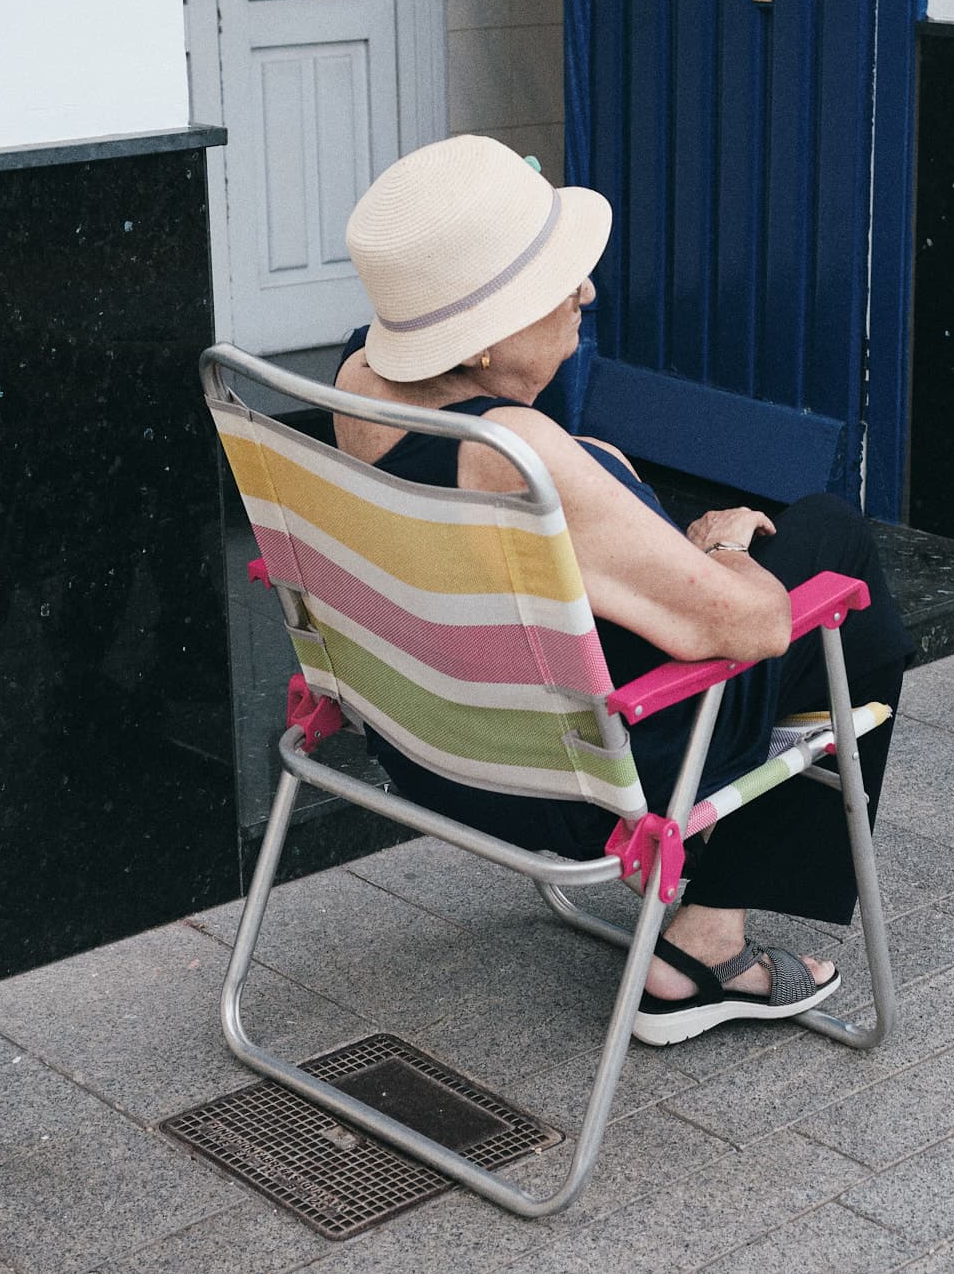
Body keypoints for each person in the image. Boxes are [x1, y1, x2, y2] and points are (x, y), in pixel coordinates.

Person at [333, 135, 912, 1046]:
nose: (588, 292)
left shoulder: (357, 383)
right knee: (833, 544)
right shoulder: (515, 457)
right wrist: (726, 546)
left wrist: (608, 479)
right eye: (557, 281)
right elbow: (760, 625)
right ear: (480, 341)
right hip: (586, 783)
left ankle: (713, 898)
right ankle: (706, 948)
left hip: (428, 751)